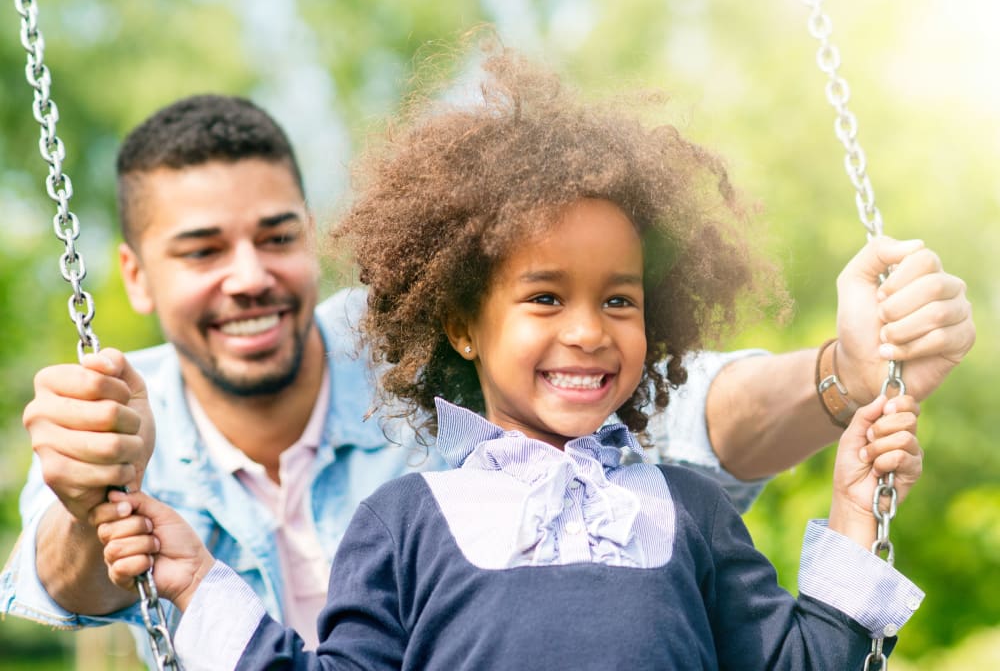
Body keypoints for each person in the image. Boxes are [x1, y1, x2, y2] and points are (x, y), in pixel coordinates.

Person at [0, 85, 972, 663]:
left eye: (620, 300)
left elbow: (707, 416)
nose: (587, 332)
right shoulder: (405, 519)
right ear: (460, 322)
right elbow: (59, 566)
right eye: (545, 299)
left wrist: (845, 402)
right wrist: (187, 573)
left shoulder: (683, 510)